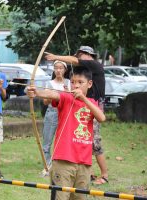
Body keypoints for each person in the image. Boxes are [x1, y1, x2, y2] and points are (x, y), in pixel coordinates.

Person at [27, 66, 106, 200]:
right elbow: (53, 94)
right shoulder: (67, 97)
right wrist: (37, 92)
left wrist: (83, 99)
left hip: (84, 162)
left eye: (80, 82)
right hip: (63, 161)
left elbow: (101, 118)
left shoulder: (92, 102)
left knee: (80, 197)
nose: (76, 85)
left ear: (90, 84)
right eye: (73, 82)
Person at [45, 46, 109, 185]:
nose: (78, 59)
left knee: (94, 142)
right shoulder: (85, 71)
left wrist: (56, 56)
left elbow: (74, 61)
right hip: (81, 107)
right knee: (80, 139)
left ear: (87, 55)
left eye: (80, 56)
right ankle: (87, 173)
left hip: (92, 107)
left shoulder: (94, 64)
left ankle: (104, 175)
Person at [41, 61, 70, 176]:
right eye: (56, 68)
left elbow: (73, 98)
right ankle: (47, 165)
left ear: (65, 70)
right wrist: (51, 95)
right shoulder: (49, 83)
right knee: (47, 140)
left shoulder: (68, 83)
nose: (58, 70)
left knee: (63, 140)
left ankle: (60, 164)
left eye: (61, 68)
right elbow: (45, 101)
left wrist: (67, 92)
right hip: (52, 113)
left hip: (65, 113)